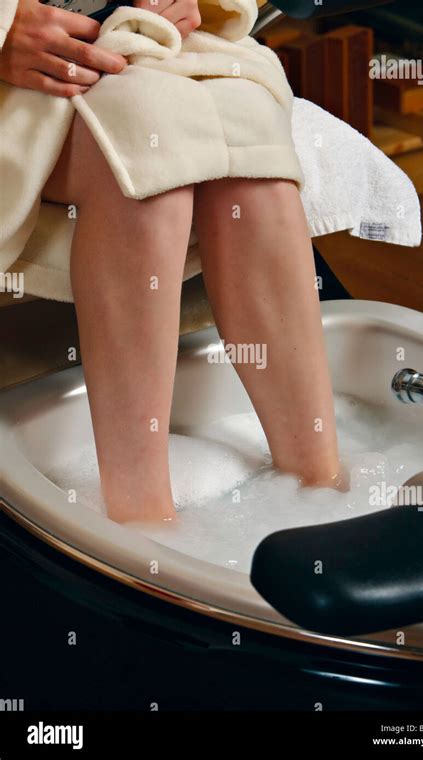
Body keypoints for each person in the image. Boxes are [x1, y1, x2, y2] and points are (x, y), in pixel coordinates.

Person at [0, 0, 345, 523]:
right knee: (145, 166)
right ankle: (142, 519)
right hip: (32, 69)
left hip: (151, 44)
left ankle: (322, 487)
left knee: (257, 171)